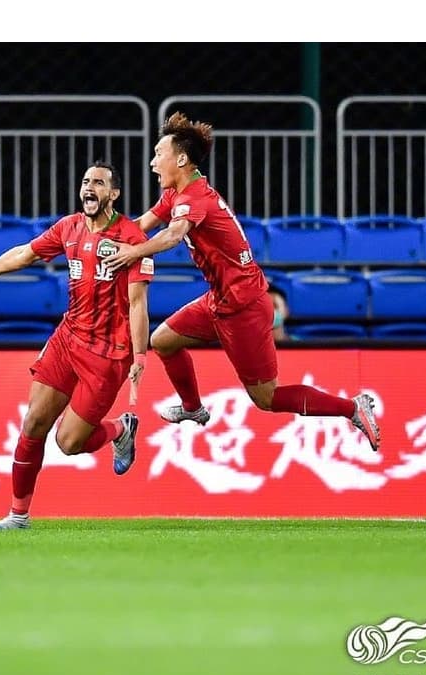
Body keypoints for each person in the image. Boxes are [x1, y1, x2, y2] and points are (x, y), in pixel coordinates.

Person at [100, 112, 380, 451]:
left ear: (182, 159)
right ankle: (193, 408)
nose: (152, 161)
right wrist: (100, 235)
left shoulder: (195, 199)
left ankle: (351, 407)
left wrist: (131, 254)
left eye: (160, 153)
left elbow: (173, 235)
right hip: (220, 300)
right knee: (164, 341)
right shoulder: (177, 193)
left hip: (244, 306)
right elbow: (142, 224)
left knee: (267, 397)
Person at [0, 161, 153, 530]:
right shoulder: (68, 227)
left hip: (107, 355)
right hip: (67, 339)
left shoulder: (133, 239)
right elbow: (25, 254)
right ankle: (18, 516)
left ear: (113, 194)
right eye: (86, 181)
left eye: (99, 183)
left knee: (69, 443)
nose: (89, 188)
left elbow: (137, 303)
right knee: (34, 421)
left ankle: (120, 429)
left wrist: (139, 354)